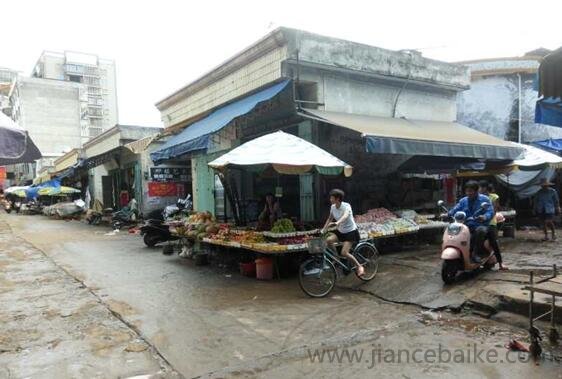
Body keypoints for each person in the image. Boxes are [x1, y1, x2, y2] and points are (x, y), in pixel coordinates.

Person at [321, 189, 364, 277]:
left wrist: (337, 222)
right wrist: (323, 229)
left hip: (350, 232)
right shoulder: (333, 207)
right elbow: (330, 218)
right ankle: (336, 257)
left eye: (332, 198)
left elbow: (345, 215)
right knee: (328, 240)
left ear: (337, 199)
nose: (330, 199)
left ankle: (359, 266)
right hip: (341, 231)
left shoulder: (346, 206)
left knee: (344, 253)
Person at [449, 181, 494, 263]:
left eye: (470, 191)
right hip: (466, 225)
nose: (468, 193)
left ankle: (475, 253)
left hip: (480, 224)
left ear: (476, 191)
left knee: (480, 231)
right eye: (467, 191)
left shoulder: (485, 199)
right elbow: (455, 209)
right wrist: (447, 214)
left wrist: (484, 217)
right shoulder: (463, 200)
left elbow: (490, 212)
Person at [479, 181, 508, 270]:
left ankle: (500, 263)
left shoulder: (494, 197)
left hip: (490, 222)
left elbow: (494, 210)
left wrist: (486, 216)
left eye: (480, 187)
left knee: (493, 242)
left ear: (485, 188)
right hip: (478, 222)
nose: (479, 190)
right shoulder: (478, 198)